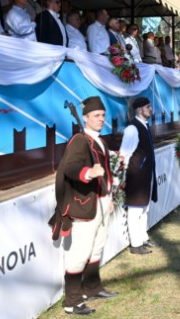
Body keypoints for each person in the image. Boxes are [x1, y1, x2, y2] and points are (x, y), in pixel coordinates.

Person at [49, 96, 117, 316]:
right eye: (96, 116)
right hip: (85, 205)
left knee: (97, 247)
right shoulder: (80, 140)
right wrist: (88, 172)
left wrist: (109, 197)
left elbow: (105, 171)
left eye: (103, 115)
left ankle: (92, 287)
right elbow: (70, 168)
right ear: (85, 118)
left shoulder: (99, 141)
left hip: (102, 201)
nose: (101, 119)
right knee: (80, 252)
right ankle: (72, 301)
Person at [118, 97, 157, 255]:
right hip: (136, 175)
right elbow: (124, 154)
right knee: (135, 211)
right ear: (139, 109)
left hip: (144, 174)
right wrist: (124, 177)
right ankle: (135, 245)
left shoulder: (144, 126)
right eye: (148, 107)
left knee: (144, 209)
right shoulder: (132, 129)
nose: (150, 109)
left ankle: (142, 237)